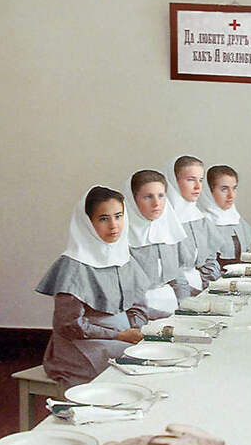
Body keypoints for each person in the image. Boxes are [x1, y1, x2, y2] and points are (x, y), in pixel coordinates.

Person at [36, 186, 150, 387]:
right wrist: (119, 335)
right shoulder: (73, 265)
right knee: (124, 377)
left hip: (124, 336)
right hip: (80, 345)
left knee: (152, 364)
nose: (114, 226)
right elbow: (69, 325)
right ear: (87, 222)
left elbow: (138, 305)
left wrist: (136, 329)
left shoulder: (123, 256)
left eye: (118, 216)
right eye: (103, 219)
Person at [124, 169, 191, 316]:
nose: (156, 203)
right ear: (133, 200)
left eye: (161, 196)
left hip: (172, 307)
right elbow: (126, 292)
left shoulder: (168, 232)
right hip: (138, 313)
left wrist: (186, 306)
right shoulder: (123, 239)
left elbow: (178, 277)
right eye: (148, 197)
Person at [164, 155, 222, 294]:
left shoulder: (199, 217)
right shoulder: (164, 221)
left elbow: (210, 259)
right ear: (174, 181)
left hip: (202, 289)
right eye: (190, 180)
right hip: (177, 295)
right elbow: (171, 272)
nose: (197, 186)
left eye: (200, 180)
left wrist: (210, 288)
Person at [198, 164, 251, 265]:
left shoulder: (236, 219)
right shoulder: (202, 223)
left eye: (234, 188)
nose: (231, 195)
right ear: (209, 191)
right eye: (224, 189)